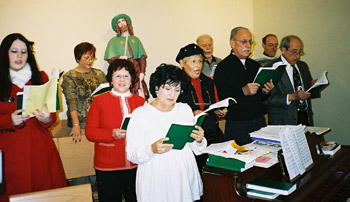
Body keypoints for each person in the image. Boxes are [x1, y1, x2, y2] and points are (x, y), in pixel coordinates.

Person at [0, 33, 66, 201]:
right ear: (4, 53)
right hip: (9, 152)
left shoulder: (41, 77)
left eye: (24, 51)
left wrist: (46, 118)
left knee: (45, 193)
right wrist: (9, 120)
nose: (19, 56)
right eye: (14, 50)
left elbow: (52, 116)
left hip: (40, 148)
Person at [126, 64, 207, 202]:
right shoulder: (141, 114)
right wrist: (152, 149)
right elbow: (132, 154)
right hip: (156, 174)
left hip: (183, 171)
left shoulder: (184, 109)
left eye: (177, 90)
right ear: (157, 88)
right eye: (167, 88)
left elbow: (195, 149)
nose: (172, 94)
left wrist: (199, 140)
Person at [85, 59, 146, 202]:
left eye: (126, 75)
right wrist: (111, 134)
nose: (122, 80)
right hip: (108, 163)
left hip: (135, 162)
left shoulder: (141, 102)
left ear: (132, 79)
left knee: (135, 199)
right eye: (117, 75)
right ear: (111, 80)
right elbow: (90, 132)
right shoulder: (99, 101)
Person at [214, 27, 274, 146]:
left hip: (259, 120)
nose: (248, 45)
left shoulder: (255, 65)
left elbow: (260, 97)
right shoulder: (223, 67)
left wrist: (266, 91)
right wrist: (243, 91)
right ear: (232, 43)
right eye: (243, 41)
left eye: (250, 41)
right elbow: (221, 97)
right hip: (238, 124)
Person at [176, 43, 226, 172]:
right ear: (182, 63)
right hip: (190, 140)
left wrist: (220, 113)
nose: (198, 65)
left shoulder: (209, 82)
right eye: (193, 62)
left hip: (212, 136)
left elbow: (215, 106)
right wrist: (191, 114)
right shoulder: (175, 85)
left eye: (200, 61)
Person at [264, 35, 316, 126]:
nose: (297, 56)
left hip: (305, 117)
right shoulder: (271, 68)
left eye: (300, 52)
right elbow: (267, 99)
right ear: (283, 50)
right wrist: (291, 97)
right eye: (294, 52)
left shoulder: (303, 66)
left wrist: (314, 86)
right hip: (282, 121)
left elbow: (307, 91)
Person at [61, 42, 106, 142]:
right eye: (86, 58)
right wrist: (76, 124)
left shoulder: (99, 74)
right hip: (80, 125)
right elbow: (71, 102)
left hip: (99, 123)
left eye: (92, 57)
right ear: (78, 58)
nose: (90, 61)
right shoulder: (70, 76)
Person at [104, 13, 149, 100]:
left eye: (123, 21)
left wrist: (142, 72)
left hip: (136, 69)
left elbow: (142, 58)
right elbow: (110, 59)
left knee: (138, 93)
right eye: (119, 22)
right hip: (123, 71)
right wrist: (119, 58)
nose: (122, 24)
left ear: (127, 23)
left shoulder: (135, 40)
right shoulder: (113, 41)